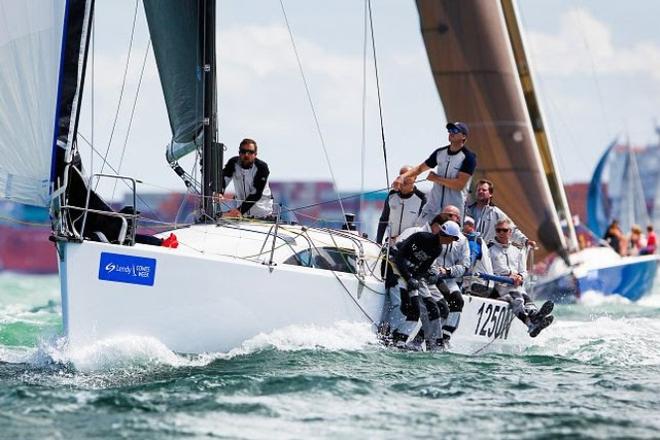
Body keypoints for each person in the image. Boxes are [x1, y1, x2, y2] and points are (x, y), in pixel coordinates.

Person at [386, 220, 462, 349]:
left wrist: (414, 279)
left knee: (432, 308)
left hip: (411, 275)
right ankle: (392, 337)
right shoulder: (421, 237)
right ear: (448, 236)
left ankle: (408, 341)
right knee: (409, 307)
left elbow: (422, 269)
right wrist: (409, 279)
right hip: (396, 268)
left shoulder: (437, 249)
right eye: (453, 238)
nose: (452, 241)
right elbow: (399, 257)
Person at [392, 122, 476, 224]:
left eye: (455, 131)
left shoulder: (469, 157)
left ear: (463, 136)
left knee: (448, 237)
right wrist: (402, 177)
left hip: (452, 210)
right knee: (418, 230)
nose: (451, 133)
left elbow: (459, 185)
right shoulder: (440, 153)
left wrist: (436, 179)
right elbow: (420, 169)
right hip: (433, 205)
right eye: (449, 130)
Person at [488, 218, 554, 337]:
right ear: (495, 232)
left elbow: (524, 271)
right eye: (498, 230)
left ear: (510, 232)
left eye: (505, 230)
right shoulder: (489, 249)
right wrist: (509, 274)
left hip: (515, 286)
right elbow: (488, 269)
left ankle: (535, 316)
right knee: (517, 297)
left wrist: (520, 276)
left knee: (523, 296)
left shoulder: (517, 250)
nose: (501, 233)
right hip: (498, 286)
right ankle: (533, 320)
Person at [430, 206, 470, 348]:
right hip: (431, 276)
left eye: (450, 215)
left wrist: (448, 271)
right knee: (437, 303)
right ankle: (426, 335)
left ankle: (445, 336)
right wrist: (435, 269)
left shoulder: (462, 240)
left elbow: (465, 265)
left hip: (449, 278)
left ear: (457, 218)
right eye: (444, 214)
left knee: (458, 301)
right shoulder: (435, 233)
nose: (447, 217)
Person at [465, 179, 535, 247]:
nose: (480, 192)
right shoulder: (467, 211)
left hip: (487, 253)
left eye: (484, 190)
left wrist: (525, 241)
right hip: (468, 251)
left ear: (490, 194)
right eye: (478, 190)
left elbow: (512, 230)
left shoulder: (497, 213)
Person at [219, 138, 273, 219]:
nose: (246, 155)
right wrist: (220, 192)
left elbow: (256, 193)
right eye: (243, 151)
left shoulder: (262, 167)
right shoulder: (233, 163)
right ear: (239, 153)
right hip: (242, 216)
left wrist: (239, 210)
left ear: (255, 154)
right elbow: (223, 178)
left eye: (250, 152)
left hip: (262, 215)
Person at [376, 165, 427, 244]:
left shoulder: (421, 198)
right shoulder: (391, 195)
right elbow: (383, 220)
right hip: (391, 243)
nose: (404, 180)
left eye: (408, 176)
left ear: (415, 178)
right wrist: (378, 242)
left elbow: (422, 227)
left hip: (409, 244)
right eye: (402, 176)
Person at [462, 215, 494, 296]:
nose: (460, 227)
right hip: (484, 284)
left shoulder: (474, 241)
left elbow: (469, 261)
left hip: (476, 284)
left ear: (470, 226)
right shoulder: (480, 240)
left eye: (463, 224)